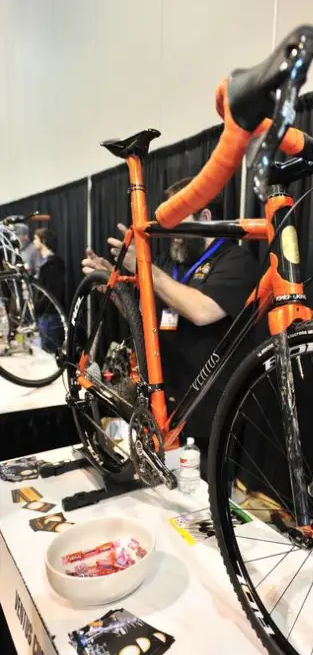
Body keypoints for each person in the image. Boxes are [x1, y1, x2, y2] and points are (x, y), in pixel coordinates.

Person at [82, 181, 260, 475]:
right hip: (164, 402)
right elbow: (142, 317)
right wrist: (112, 290)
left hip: (210, 410)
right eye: (165, 221)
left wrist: (145, 269)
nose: (169, 232)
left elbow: (201, 311)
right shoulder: (170, 260)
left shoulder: (235, 261)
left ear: (205, 218)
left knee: (203, 499)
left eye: (177, 220)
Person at [33, 227, 66, 352]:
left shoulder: (52, 265)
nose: (33, 241)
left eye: (36, 238)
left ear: (44, 240)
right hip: (45, 316)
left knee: (50, 355)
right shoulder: (46, 264)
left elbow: (53, 294)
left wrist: (38, 307)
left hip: (50, 317)